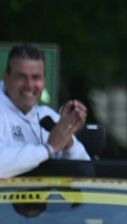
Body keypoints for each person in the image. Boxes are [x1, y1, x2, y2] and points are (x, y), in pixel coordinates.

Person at [0, 43, 89, 179]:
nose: (29, 85)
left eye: (36, 77)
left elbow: (87, 172)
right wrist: (49, 148)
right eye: (21, 77)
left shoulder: (47, 115)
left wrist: (67, 139)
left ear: (44, 81)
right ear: (6, 78)